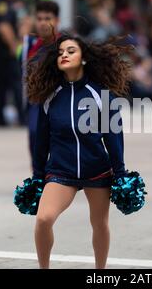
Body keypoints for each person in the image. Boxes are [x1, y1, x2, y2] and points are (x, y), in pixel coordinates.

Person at [26, 32, 134, 269]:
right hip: (61, 171)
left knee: (99, 224)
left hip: (96, 170)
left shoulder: (101, 95)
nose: (64, 54)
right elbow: (41, 141)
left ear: (83, 58)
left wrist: (120, 173)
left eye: (71, 51)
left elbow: (113, 138)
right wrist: (37, 176)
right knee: (44, 219)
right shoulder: (50, 97)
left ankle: (100, 272)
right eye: (61, 52)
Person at [19, 0, 60, 167]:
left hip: (57, 100)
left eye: (47, 18)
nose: (43, 22)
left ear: (57, 20)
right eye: (40, 18)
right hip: (35, 101)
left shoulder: (64, 44)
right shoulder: (28, 44)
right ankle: (38, 176)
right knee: (35, 135)